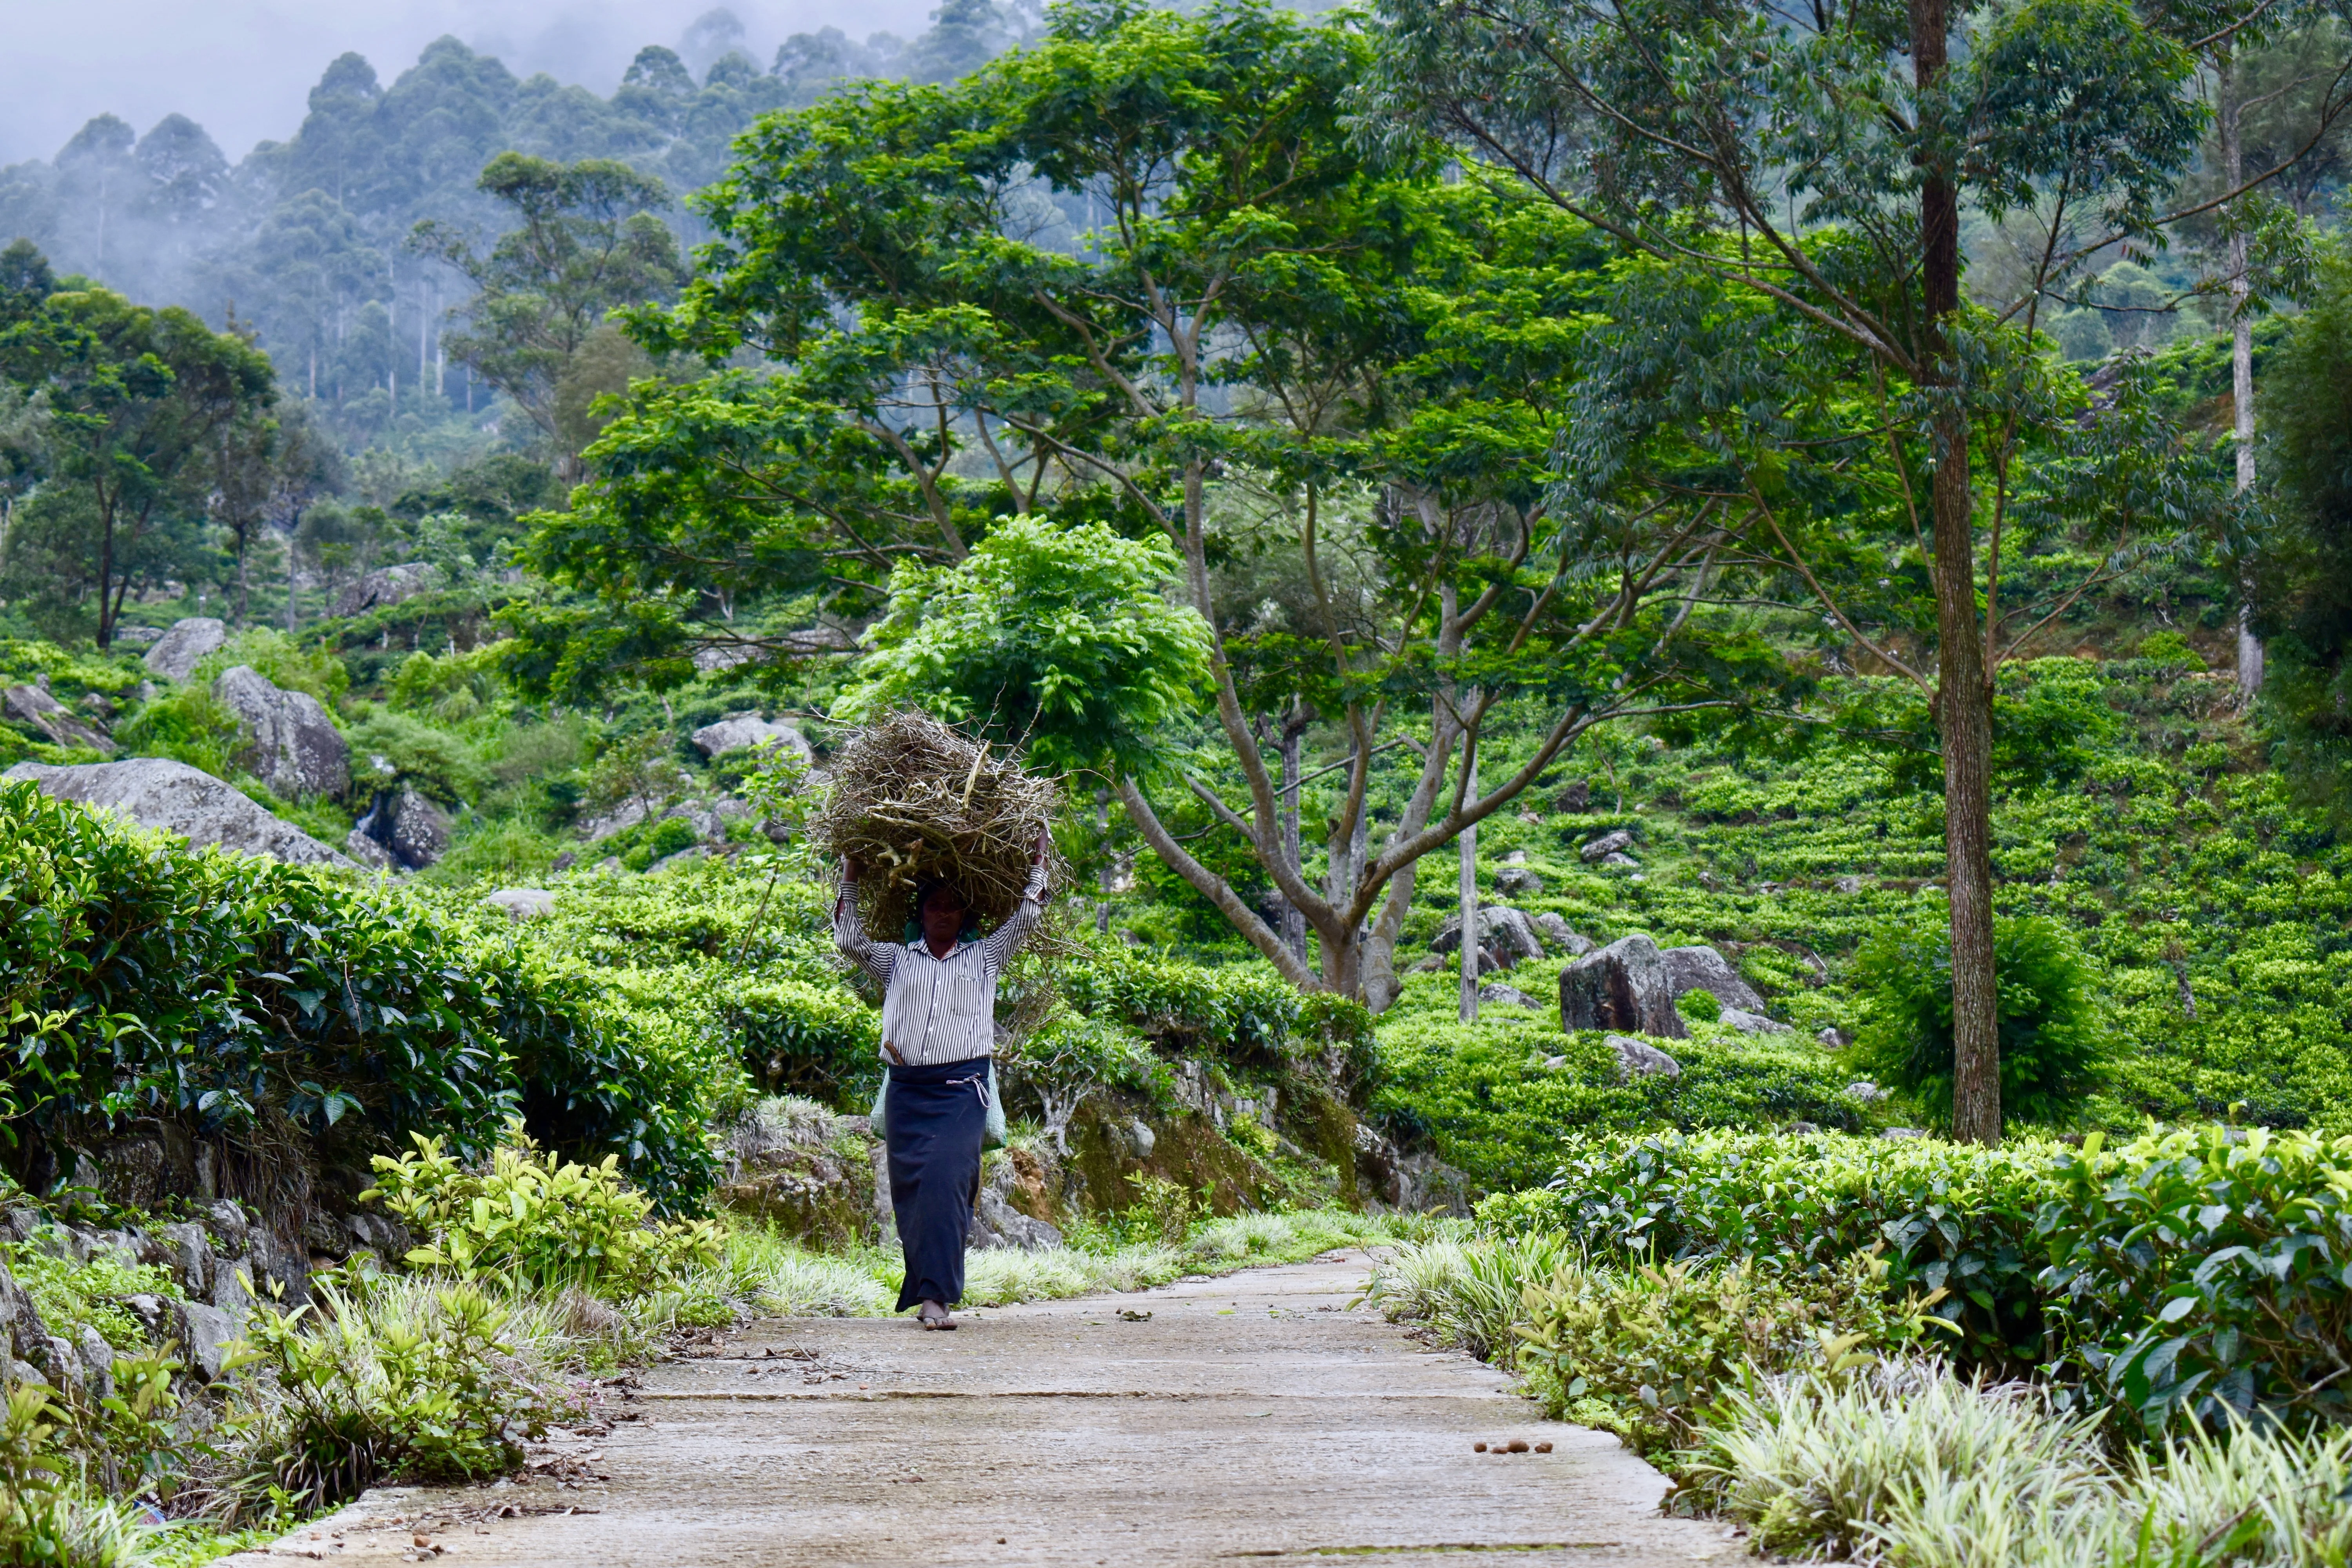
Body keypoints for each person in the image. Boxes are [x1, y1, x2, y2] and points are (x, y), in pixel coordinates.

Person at [834, 829, 1050, 1329]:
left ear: (965, 917)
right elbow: (848, 938)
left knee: (949, 1183)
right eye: (935, 905)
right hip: (908, 1091)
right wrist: (850, 871)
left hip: (962, 1090)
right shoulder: (896, 960)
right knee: (911, 1194)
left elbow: (1029, 916)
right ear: (921, 913)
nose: (944, 914)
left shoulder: (986, 958)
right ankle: (926, 1291)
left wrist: (1038, 861)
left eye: (953, 907)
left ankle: (938, 1298)